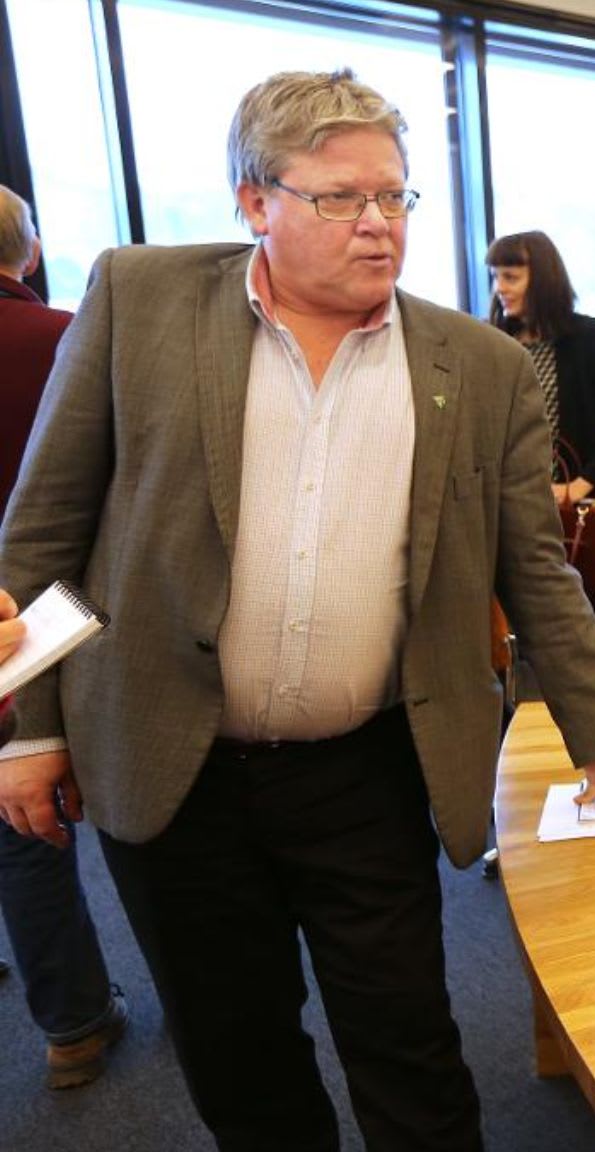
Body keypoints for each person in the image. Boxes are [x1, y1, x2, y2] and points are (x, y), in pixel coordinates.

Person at [0, 69, 595, 1151]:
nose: (378, 223)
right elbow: (43, 530)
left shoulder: (479, 365)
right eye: (341, 198)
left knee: (408, 1041)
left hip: (368, 767)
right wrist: (31, 731)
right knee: (237, 1050)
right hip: (174, 763)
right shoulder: (139, 300)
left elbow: (533, 570)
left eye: (394, 196)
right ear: (256, 201)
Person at [0, 185, 130, 1090]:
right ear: (32, 251)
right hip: (61, 618)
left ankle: (72, 1020)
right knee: (58, 819)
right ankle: (84, 1024)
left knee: (14, 824)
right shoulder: (66, 338)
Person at [486, 230, 595, 605]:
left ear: (542, 280)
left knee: (581, 618)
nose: (499, 288)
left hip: (574, 515)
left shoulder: (586, 337)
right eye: (495, 277)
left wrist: (580, 485)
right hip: (510, 517)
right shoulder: (493, 341)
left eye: (511, 277)